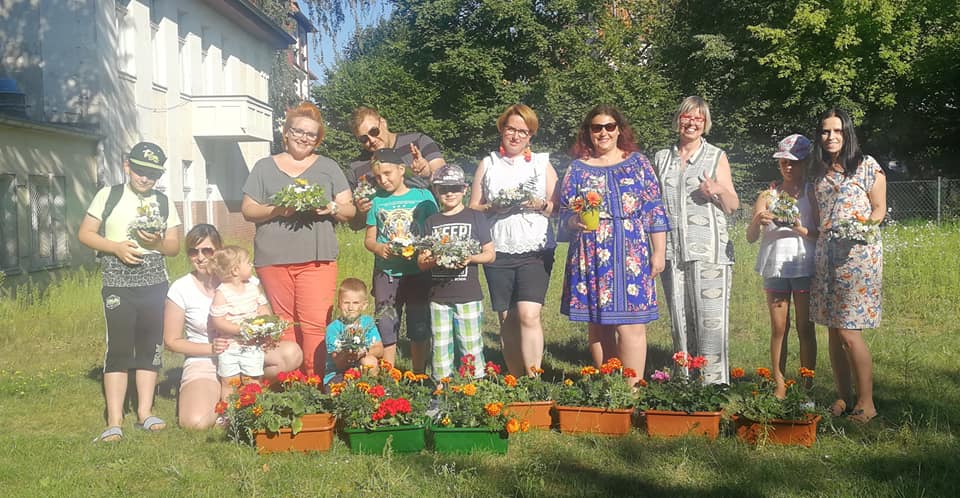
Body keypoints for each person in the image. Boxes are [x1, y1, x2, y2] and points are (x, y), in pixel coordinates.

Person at [241, 101, 356, 379]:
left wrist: (332, 207)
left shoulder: (328, 167)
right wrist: (277, 209)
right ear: (286, 133)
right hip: (273, 259)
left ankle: (317, 383)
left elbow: (350, 210)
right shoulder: (264, 167)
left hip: (317, 258)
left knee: (315, 324)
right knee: (284, 325)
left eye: (311, 134)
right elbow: (248, 209)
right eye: (298, 131)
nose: (304, 138)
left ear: (318, 139)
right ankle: (291, 384)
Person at [78, 141, 182, 442]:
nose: (145, 178)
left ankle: (145, 412)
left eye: (153, 174)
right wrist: (115, 248)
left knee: (150, 346)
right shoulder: (108, 195)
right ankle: (114, 420)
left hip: (154, 281)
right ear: (127, 166)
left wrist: (156, 243)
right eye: (139, 171)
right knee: (119, 347)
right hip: (117, 281)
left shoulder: (163, 201)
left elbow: (174, 247)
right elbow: (85, 233)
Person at [559, 105, 670, 385]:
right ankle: (609, 388)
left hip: (631, 248)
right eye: (597, 127)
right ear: (588, 132)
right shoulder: (577, 169)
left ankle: (632, 392)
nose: (603, 133)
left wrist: (659, 252)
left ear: (619, 129)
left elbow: (654, 209)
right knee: (599, 324)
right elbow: (563, 213)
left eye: (609, 126)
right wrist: (574, 220)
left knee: (632, 324)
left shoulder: (639, 163)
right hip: (590, 251)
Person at [163, 224, 302, 430]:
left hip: (247, 348)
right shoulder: (181, 288)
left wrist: (262, 333)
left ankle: (249, 389)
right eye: (193, 251)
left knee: (292, 354)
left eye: (207, 251)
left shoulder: (244, 280)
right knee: (195, 422)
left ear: (219, 251)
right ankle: (218, 393)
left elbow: (265, 313)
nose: (200, 257)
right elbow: (171, 341)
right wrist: (211, 349)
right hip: (206, 358)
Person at [653, 96, 740, 385]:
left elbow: (732, 205)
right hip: (672, 251)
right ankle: (685, 381)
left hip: (710, 250)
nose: (692, 123)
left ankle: (713, 384)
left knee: (710, 321)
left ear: (705, 124)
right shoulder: (662, 158)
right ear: (678, 120)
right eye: (687, 117)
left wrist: (717, 190)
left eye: (698, 118)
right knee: (679, 319)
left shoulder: (716, 156)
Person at [469, 104, 558, 377]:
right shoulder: (488, 163)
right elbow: (473, 208)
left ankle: (534, 378)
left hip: (535, 248)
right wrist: (492, 207)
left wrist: (541, 204)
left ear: (531, 136)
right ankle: (515, 379)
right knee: (507, 318)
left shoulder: (541, 163)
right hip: (498, 249)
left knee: (529, 314)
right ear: (502, 130)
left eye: (523, 131)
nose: (516, 136)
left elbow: (557, 205)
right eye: (511, 129)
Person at [810, 108, 885, 423]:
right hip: (827, 258)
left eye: (837, 131)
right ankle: (843, 396)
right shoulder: (818, 173)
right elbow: (818, 216)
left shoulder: (867, 166)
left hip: (857, 258)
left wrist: (861, 228)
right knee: (832, 331)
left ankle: (867, 403)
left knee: (848, 331)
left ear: (847, 133)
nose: (831, 137)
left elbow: (879, 208)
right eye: (826, 131)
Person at [745, 134, 818, 396]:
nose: (788, 167)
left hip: (803, 264)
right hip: (775, 266)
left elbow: (818, 233)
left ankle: (806, 385)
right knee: (779, 328)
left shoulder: (811, 192)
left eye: (794, 162)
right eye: (783, 162)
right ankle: (779, 382)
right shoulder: (768, 194)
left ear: (804, 163)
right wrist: (758, 220)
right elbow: (751, 237)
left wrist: (798, 227)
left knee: (805, 327)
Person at [418, 164, 496, 380]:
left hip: (468, 294)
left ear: (464, 189)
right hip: (438, 297)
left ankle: (474, 387)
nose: (449, 193)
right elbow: (421, 261)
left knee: (471, 345)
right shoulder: (431, 222)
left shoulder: (476, 217)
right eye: (443, 189)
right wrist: (436, 259)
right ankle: (441, 388)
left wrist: (470, 258)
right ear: (436, 191)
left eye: (454, 188)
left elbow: (490, 254)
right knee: (440, 346)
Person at [364, 148, 438, 372]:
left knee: (419, 323)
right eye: (378, 177)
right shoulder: (376, 201)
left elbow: (435, 230)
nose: (383, 180)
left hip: (418, 272)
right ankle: (389, 375)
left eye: (387, 173)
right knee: (386, 323)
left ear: (401, 169)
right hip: (387, 273)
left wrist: (424, 250)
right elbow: (369, 239)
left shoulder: (423, 196)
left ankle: (418, 374)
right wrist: (379, 248)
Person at [347, 106, 446, 230]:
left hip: (428, 231)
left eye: (374, 131)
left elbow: (446, 181)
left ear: (383, 122)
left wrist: (428, 172)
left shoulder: (417, 142)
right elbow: (354, 225)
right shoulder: (357, 167)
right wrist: (361, 212)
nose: (371, 140)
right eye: (364, 139)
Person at [207, 246, 271, 401]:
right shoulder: (222, 293)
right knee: (229, 382)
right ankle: (229, 410)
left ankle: (254, 409)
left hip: (252, 345)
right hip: (230, 347)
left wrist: (265, 323)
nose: (251, 265)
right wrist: (241, 329)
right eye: (247, 262)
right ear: (235, 270)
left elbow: (263, 307)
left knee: (253, 380)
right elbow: (218, 321)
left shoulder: (252, 287)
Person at [324, 278, 384, 386]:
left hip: (360, 368)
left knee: (370, 361)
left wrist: (363, 352)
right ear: (339, 304)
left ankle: (370, 389)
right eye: (346, 302)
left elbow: (379, 350)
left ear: (364, 305)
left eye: (355, 303)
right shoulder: (333, 328)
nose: (350, 307)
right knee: (340, 389)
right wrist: (347, 355)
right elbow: (339, 363)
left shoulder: (368, 323)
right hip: (338, 374)